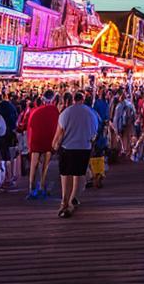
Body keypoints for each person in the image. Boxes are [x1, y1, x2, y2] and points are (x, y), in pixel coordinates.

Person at [52, 91, 99, 219]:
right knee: (78, 175)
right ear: (82, 100)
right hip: (84, 147)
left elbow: (59, 132)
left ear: (73, 100)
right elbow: (94, 134)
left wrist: (54, 144)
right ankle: (72, 199)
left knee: (65, 174)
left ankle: (64, 201)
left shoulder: (65, 113)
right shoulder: (91, 113)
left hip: (67, 148)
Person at [26, 90, 60, 199]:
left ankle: (31, 187)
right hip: (48, 140)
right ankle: (41, 185)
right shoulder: (55, 111)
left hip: (36, 139)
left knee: (33, 165)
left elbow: (29, 126)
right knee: (45, 165)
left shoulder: (35, 111)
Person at [0, 93, 20, 190]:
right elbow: (16, 120)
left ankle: (3, 179)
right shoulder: (11, 107)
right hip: (10, 134)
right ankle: (10, 178)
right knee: (10, 156)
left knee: (3, 156)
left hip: (1, 134)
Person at [113, 91, 136, 157]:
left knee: (122, 138)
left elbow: (116, 118)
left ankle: (124, 150)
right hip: (129, 123)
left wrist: (116, 128)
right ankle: (128, 150)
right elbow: (134, 113)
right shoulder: (130, 104)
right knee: (128, 137)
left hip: (121, 124)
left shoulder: (119, 106)